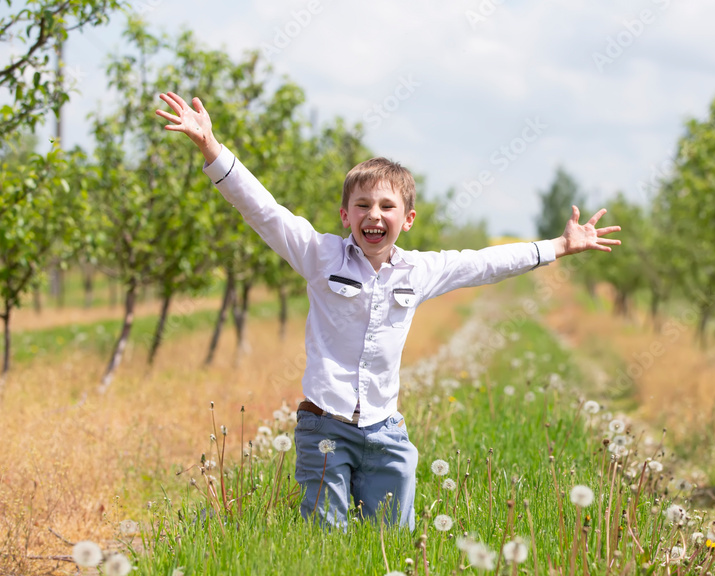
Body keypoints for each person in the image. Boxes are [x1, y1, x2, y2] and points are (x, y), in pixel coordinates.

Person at [156, 91, 621, 530]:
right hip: (324, 428)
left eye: (386, 205)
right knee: (326, 537)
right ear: (345, 216)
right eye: (362, 205)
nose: (373, 215)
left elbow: (485, 263)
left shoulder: (419, 271)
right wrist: (211, 147)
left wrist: (557, 246)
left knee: (392, 537)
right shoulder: (320, 256)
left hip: (386, 430)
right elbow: (264, 211)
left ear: (408, 218)